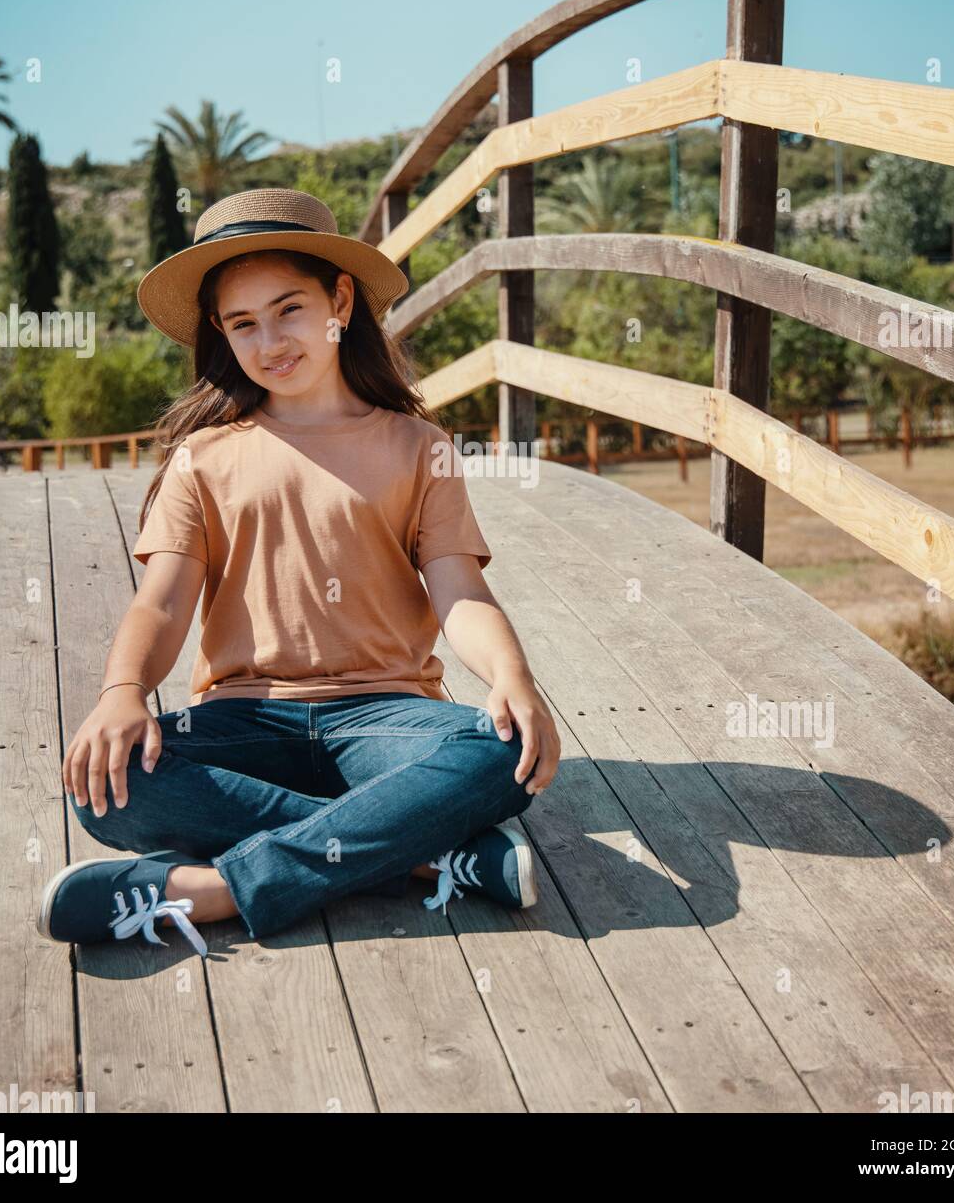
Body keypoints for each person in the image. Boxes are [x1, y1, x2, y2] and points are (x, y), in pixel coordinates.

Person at [37, 188, 561, 959]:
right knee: (107, 780)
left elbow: (459, 590)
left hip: (387, 716)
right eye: (242, 323)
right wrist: (121, 695)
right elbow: (163, 602)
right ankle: (415, 849)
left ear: (339, 300)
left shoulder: (420, 445)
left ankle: (212, 890)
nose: (270, 339)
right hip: (242, 717)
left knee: (496, 751)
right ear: (220, 332)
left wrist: (512, 674)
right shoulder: (204, 458)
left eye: (288, 309)